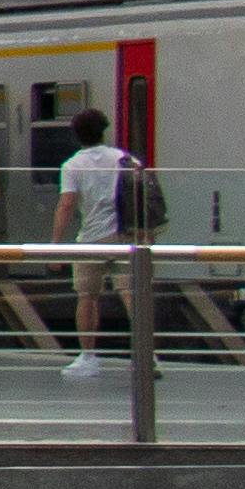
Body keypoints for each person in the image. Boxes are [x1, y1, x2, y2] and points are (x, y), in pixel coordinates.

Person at [58, 104, 140, 381]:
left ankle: (88, 357)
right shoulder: (124, 159)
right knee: (132, 295)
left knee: (87, 298)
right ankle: (146, 354)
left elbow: (67, 205)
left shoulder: (72, 165)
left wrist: (56, 245)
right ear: (103, 131)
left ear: (77, 135)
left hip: (91, 239)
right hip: (126, 236)